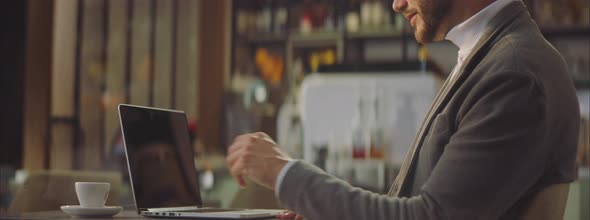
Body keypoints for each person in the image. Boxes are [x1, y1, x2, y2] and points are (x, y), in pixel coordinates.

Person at [226, 0, 581, 219]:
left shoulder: (513, 72)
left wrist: (283, 173)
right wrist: (328, 211)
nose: (396, 4)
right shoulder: (491, 56)